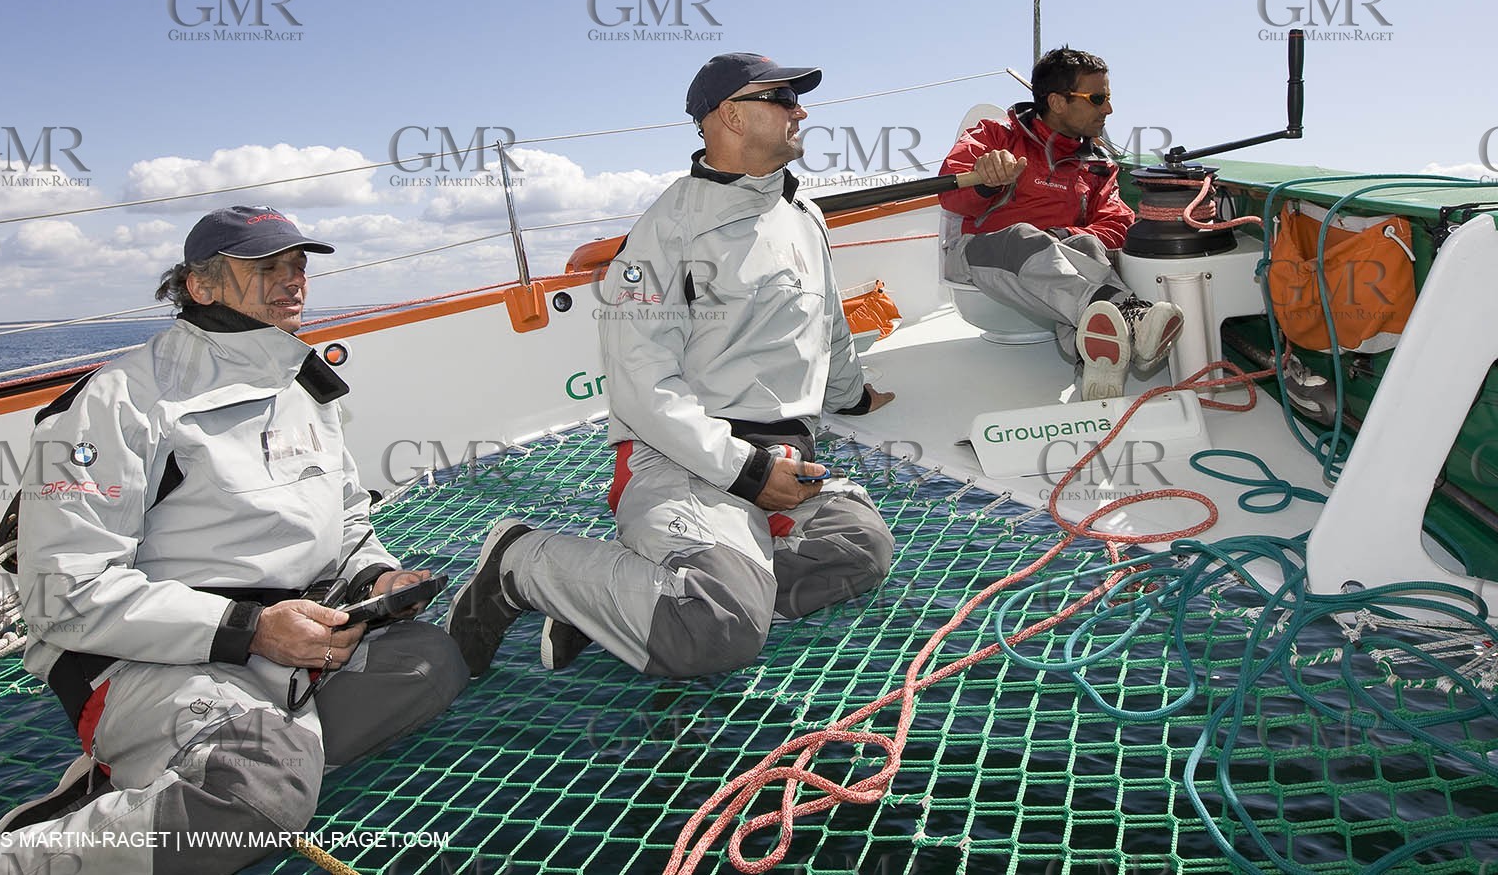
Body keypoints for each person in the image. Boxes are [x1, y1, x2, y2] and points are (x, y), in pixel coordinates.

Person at [0, 206, 467, 875]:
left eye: (297, 264)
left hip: (288, 639)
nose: (293, 280)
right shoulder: (117, 401)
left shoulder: (307, 389)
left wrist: (377, 578)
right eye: (266, 267)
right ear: (200, 285)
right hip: (141, 658)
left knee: (433, 660)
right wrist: (251, 630)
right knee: (264, 785)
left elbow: (347, 524)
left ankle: (197, 770)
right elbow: (62, 593)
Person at [448, 52, 896, 679]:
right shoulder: (666, 232)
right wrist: (749, 474)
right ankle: (521, 564)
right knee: (717, 627)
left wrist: (851, 396)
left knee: (862, 549)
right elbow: (641, 388)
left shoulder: (804, 214)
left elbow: (828, 325)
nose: (800, 112)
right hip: (686, 459)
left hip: (780, 457)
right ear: (731, 115)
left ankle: (616, 593)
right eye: (782, 98)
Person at [938, 46, 1184, 400]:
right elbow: (951, 193)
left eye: (1107, 98)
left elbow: (1116, 225)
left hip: (1055, 262)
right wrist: (985, 179)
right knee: (1024, 237)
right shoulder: (994, 135)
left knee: (1087, 245)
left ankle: (1097, 367)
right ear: (1056, 102)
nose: (1108, 109)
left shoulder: (1098, 165)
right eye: (1097, 98)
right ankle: (1129, 316)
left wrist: (1061, 235)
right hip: (979, 254)